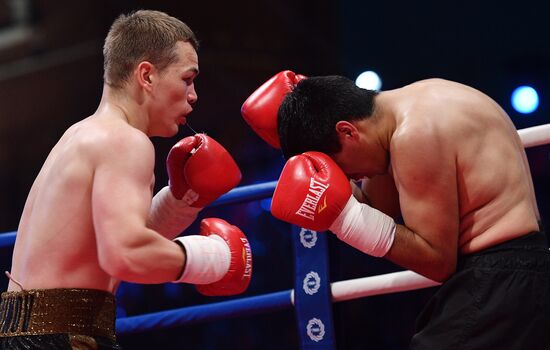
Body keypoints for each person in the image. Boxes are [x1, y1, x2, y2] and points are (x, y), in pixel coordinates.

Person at [241, 71, 550, 349]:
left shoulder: (416, 135)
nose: (347, 178)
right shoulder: (399, 112)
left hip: (503, 281)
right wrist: (294, 139)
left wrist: (344, 218)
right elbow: (379, 210)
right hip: (507, 277)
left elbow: (437, 261)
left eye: (340, 167)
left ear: (348, 132)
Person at [0, 10, 253, 350]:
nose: (193, 95)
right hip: (63, 337)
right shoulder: (126, 142)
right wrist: (213, 258)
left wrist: (178, 202)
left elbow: (113, 241)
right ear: (146, 75)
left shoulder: (83, 134)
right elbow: (126, 253)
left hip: (37, 333)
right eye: (187, 79)